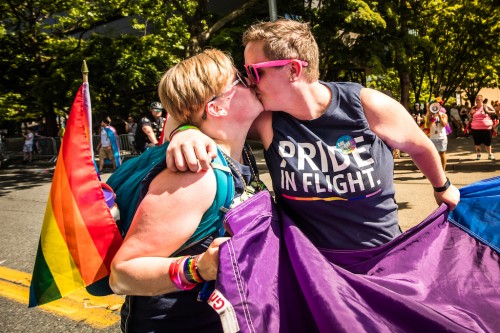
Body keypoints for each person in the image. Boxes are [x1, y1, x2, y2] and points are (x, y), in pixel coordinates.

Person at [166, 19, 460, 251]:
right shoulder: (268, 120)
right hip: (312, 268)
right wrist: (185, 132)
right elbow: (188, 110)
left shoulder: (367, 106)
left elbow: (421, 147)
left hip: (382, 256)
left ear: (293, 69)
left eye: (255, 72)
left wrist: (441, 186)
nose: (248, 83)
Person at [109, 49, 264, 332]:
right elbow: (122, 273)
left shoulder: (237, 153)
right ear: (216, 107)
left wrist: (184, 130)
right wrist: (199, 268)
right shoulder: (196, 176)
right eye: (240, 79)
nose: (252, 81)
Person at [469, 94, 496, 160]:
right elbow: (469, 117)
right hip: (475, 128)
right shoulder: (474, 107)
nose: (477, 100)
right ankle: (478, 155)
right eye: (476, 99)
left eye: (478, 99)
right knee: (477, 143)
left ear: (482, 100)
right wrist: (470, 113)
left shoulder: (487, 106)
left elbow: (494, 112)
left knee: (488, 142)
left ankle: (489, 154)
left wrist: (487, 111)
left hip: (486, 128)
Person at [425, 102, 449, 171]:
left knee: (442, 154)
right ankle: (432, 171)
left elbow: (444, 124)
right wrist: (433, 118)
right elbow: (428, 126)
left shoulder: (444, 115)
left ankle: (443, 171)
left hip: (442, 137)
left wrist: (439, 116)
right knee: (432, 155)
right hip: (433, 137)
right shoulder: (429, 115)